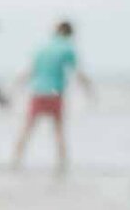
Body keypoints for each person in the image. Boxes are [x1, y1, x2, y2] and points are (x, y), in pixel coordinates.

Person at [11, 20, 95, 172]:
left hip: (37, 93)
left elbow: (29, 71)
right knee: (58, 131)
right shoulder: (67, 48)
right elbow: (78, 73)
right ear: (70, 33)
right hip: (55, 94)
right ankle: (62, 164)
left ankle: (15, 160)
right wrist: (89, 90)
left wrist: (16, 86)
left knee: (27, 129)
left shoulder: (42, 48)